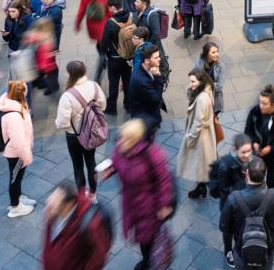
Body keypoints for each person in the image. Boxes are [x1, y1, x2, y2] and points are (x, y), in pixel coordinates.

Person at [101, 119, 174, 270]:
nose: (121, 142)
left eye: (127, 139)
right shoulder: (121, 149)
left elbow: (164, 181)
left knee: (149, 239)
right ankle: (147, 260)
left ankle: (150, 263)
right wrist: (110, 169)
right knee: (142, 239)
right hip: (131, 204)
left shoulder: (152, 155)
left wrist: (164, 204)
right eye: (121, 137)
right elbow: (116, 161)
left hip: (150, 207)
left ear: (136, 140)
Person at [219, 156, 274, 270]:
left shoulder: (234, 198)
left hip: (241, 249)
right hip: (267, 250)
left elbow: (224, 226)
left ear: (247, 174)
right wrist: (270, 229)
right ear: (265, 173)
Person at [54, 61, 106, 201]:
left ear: (71, 74)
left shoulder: (67, 95)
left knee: (78, 166)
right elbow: (103, 106)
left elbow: (62, 122)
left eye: (66, 72)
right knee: (91, 162)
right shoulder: (94, 86)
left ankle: (82, 198)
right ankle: (93, 195)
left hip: (74, 136)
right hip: (92, 133)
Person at [42, 179, 112, 270]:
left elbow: (99, 256)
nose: (47, 209)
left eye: (52, 206)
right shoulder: (53, 215)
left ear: (68, 205)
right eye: (48, 204)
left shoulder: (91, 224)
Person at [0, 81, 35, 218]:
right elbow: (18, 141)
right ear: (20, 95)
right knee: (15, 179)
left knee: (17, 177)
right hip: (16, 153)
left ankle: (18, 197)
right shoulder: (13, 115)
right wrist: (27, 156)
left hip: (15, 151)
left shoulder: (13, 104)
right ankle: (15, 207)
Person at [177, 68, 218, 199]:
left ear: (201, 81)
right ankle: (202, 187)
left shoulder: (202, 98)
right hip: (206, 134)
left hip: (201, 136)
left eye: (193, 82)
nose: (190, 84)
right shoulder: (207, 89)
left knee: (200, 162)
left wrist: (190, 138)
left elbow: (198, 122)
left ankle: (203, 188)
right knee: (203, 163)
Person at [244, 84, 274, 189]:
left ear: (273, 104)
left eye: (265, 104)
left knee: (271, 183)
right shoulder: (255, 112)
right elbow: (247, 132)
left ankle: (273, 202)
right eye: (260, 102)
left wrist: (271, 148)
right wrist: (254, 143)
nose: (261, 106)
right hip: (259, 153)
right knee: (255, 180)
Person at [217, 134, 252, 266]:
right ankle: (227, 251)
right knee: (228, 230)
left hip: (243, 204)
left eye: (249, 151)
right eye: (243, 152)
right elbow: (223, 189)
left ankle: (238, 248)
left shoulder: (249, 161)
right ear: (235, 149)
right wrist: (244, 183)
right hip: (229, 205)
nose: (247, 154)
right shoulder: (225, 164)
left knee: (240, 229)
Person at [74, 0, 111, 81]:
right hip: (105, 25)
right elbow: (110, 10)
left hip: (92, 27)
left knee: (100, 46)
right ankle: (98, 77)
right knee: (103, 51)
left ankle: (103, 59)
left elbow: (81, 11)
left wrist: (77, 24)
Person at [101, 0, 133, 113]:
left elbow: (104, 43)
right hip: (129, 57)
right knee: (127, 81)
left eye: (110, 8)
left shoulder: (110, 23)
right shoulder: (131, 16)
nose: (109, 10)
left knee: (113, 82)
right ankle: (128, 105)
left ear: (113, 7)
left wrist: (105, 53)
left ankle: (112, 107)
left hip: (115, 58)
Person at [129, 43, 164, 132]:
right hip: (144, 120)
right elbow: (156, 100)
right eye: (156, 58)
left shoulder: (143, 67)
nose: (159, 59)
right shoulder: (142, 81)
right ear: (147, 60)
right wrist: (158, 77)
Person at [194, 41, 224, 113]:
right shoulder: (199, 64)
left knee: (214, 116)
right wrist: (213, 84)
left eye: (217, 51)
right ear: (207, 54)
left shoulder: (220, 65)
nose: (217, 54)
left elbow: (220, 86)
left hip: (215, 97)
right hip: (202, 96)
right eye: (213, 52)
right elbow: (196, 81)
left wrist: (205, 84)